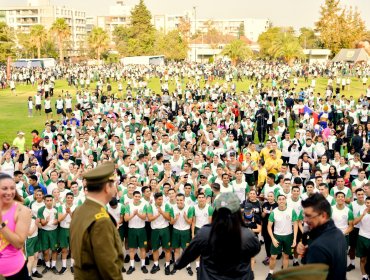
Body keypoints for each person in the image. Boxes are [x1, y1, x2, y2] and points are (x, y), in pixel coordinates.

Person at [173, 192, 260, 280]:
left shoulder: (205, 233)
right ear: (238, 212)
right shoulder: (247, 235)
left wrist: (177, 265)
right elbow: (256, 249)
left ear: (216, 211)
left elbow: (189, 254)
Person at [70, 162, 124, 280]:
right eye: (113, 184)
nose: (115, 188)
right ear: (106, 188)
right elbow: (108, 266)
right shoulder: (101, 221)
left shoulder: (79, 210)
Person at [297, 193, 347, 280]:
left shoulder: (318, 247)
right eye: (304, 215)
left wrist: (311, 253)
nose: (305, 220)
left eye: (308, 216)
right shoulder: (339, 234)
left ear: (323, 215)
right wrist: (308, 252)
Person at [0, 173, 31, 278]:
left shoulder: (22, 211)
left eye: (12, 188)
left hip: (14, 272)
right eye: (4, 188)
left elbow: (18, 243)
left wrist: (1, 225)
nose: (9, 192)